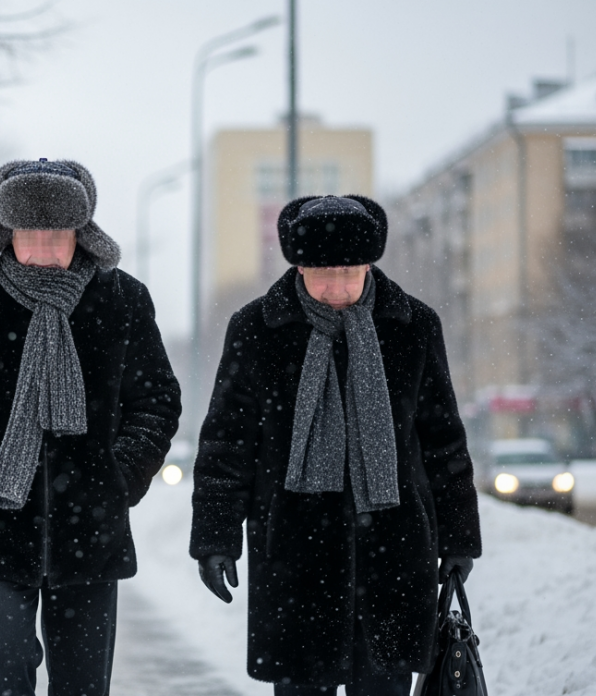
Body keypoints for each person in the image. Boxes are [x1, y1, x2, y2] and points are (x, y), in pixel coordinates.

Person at [0, 159, 181, 696]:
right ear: (5, 234)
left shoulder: (122, 298)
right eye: (29, 237)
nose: (44, 251)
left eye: (58, 237)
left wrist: (117, 476)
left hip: (91, 527)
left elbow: (157, 402)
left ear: (81, 235)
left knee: (83, 683)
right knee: (5, 663)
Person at [189, 195, 481, 695]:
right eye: (321, 272)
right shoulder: (258, 329)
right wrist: (215, 538)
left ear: (370, 263)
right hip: (294, 553)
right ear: (298, 265)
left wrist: (459, 536)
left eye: (349, 271)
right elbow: (226, 445)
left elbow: (443, 440)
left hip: (393, 550)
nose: (337, 288)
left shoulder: (412, 327)